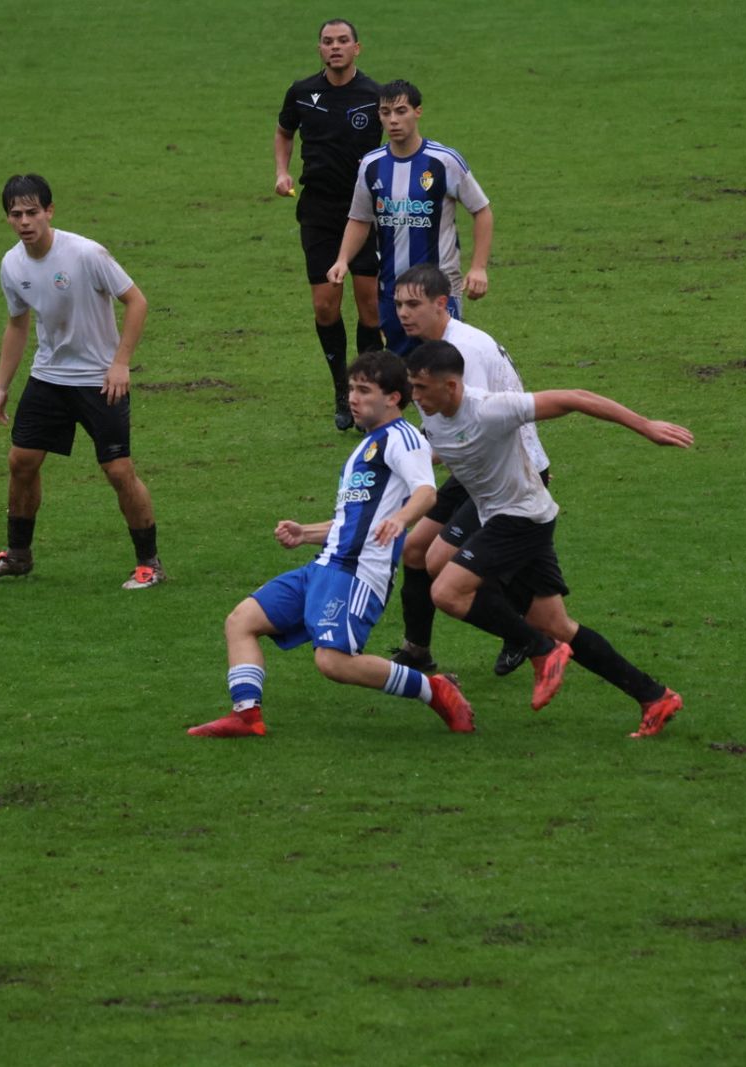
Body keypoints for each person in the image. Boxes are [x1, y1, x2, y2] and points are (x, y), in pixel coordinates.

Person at [404, 340, 693, 737]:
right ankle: (654, 697)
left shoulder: (491, 408)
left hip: (519, 519)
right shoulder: (431, 410)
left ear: (451, 385)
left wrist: (646, 427)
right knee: (558, 624)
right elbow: (442, 445)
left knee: (446, 591)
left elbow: (574, 397)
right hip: (516, 517)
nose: (415, 396)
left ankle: (540, 650)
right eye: (412, 387)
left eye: (421, 387)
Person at [187, 350, 475, 738]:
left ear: (393, 397)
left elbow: (426, 492)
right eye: (351, 389)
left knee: (333, 661)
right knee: (242, 620)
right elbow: (353, 521)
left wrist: (401, 519)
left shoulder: (403, 439)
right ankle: (246, 715)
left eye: (364, 391)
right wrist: (305, 533)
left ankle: (434, 690)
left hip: (357, 573)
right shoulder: (368, 444)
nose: (353, 398)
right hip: (324, 565)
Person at [0, 173, 166, 590]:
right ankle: (18, 556)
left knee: (118, 471)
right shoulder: (12, 264)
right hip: (49, 377)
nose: (25, 222)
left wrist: (121, 363)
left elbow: (137, 301)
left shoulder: (86, 254)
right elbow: (17, 325)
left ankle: (149, 563)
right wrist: (1, 387)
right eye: (16, 214)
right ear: (7, 218)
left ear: (49, 211)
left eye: (32, 212)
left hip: (99, 380)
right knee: (21, 462)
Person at [383, 264, 561, 685]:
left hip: (503, 472)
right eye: (398, 304)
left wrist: (409, 465)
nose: (403, 313)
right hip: (472, 469)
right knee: (415, 550)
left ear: (441, 304)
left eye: (413, 304)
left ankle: (525, 636)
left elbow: (469, 431)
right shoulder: (438, 347)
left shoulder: (464, 352)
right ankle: (417, 649)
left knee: (441, 561)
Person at [274, 18, 386, 431]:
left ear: (357, 48)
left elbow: (397, 138)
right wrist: (282, 171)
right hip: (319, 210)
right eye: (327, 41)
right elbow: (284, 131)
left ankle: (367, 392)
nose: (334, 47)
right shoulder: (302, 92)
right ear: (320, 49)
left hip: (367, 208)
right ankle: (343, 388)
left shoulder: (375, 95)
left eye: (342, 41)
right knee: (325, 306)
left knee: (370, 306)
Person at [327, 79, 494, 355]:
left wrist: (478, 267)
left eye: (401, 111)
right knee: (401, 369)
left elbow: (482, 210)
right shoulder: (371, 165)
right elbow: (360, 218)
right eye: (386, 112)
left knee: (440, 365)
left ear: (418, 112)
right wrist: (343, 260)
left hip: (440, 287)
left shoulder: (444, 161)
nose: (393, 120)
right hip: (393, 291)